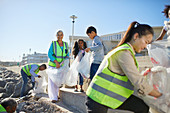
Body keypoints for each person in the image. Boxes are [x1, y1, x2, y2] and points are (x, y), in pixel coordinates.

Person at [86, 21, 162, 113]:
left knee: (142, 107)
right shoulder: (123, 52)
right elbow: (138, 82)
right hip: (97, 98)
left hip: (110, 95)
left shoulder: (128, 52)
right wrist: (161, 96)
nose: (146, 46)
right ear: (136, 36)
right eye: (146, 42)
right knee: (141, 107)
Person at [48, 30, 69, 103]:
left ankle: (56, 95)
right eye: (58, 35)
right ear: (56, 36)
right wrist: (56, 62)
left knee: (58, 82)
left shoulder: (66, 44)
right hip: (53, 65)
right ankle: (53, 97)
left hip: (61, 66)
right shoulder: (53, 43)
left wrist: (65, 63)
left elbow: (67, 55)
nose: (60, 36)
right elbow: (49, 54)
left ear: (63, 35)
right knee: (52, 82)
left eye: (61, 35)